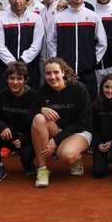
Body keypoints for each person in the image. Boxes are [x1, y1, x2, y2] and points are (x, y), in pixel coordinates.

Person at [30, 57, 93, 188]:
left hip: (79, 132)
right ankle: (42, 170)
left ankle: (76, 159)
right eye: (48, 73)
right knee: (38, 118)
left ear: (63, 72)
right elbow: (30, 114)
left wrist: (57, 139)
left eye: (56, 72)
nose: (52, 77)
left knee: (67, 155)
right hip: (58, 131)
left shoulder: (79, 88)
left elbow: (85, 122)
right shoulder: (43, 91)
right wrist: (41, 109)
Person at [0, 62, 40, 182]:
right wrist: (1, 126)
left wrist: (24, 139)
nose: (15, 82)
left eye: (19, 78)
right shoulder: (1, 95)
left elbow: (39, 125)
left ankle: (28, 164)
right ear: (7, 80)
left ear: (25, 80)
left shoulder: (34, 96)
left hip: (27, 137)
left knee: (26, 155)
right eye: (11, 78)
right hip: (8, 134)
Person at [0, 0, 44, 86]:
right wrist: (12, 63)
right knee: (8, 99)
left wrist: (22, 61)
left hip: (30, 67)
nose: (17, 1)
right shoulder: (1, 19)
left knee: (31, 98)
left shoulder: (36, 18)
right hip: (7, 67)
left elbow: (37, 44)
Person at [90, 73, 112, 180]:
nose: (109, 90)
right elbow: (92, 127)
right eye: (106, 87)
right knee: (98, 173)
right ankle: (105, 161)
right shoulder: (95, 106)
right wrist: (98, 143)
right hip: (100, 144)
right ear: (102, 88)